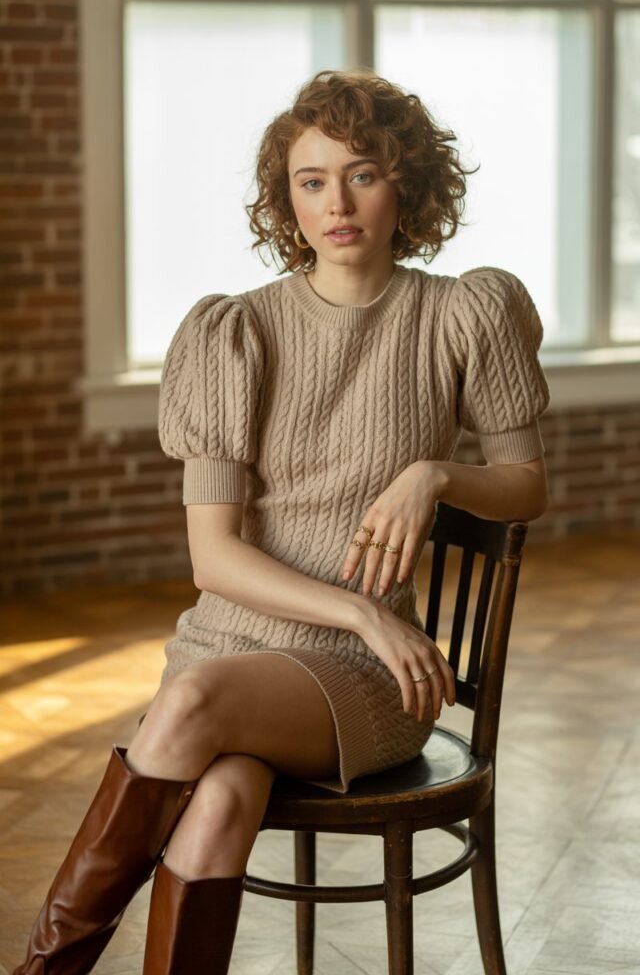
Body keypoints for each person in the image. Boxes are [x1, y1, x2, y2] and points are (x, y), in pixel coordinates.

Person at [12, 68, 549, 974]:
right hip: (241, 647)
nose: (335, 202)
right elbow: (214, 559)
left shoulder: (463, 314)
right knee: (217, 804)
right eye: (311, 180)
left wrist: (435, 474)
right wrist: (363, 606)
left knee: (187, 702)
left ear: (406, 184)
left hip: (364, 679)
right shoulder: (236, 336)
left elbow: (526, 485)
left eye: (363, 173)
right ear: (285, 197)